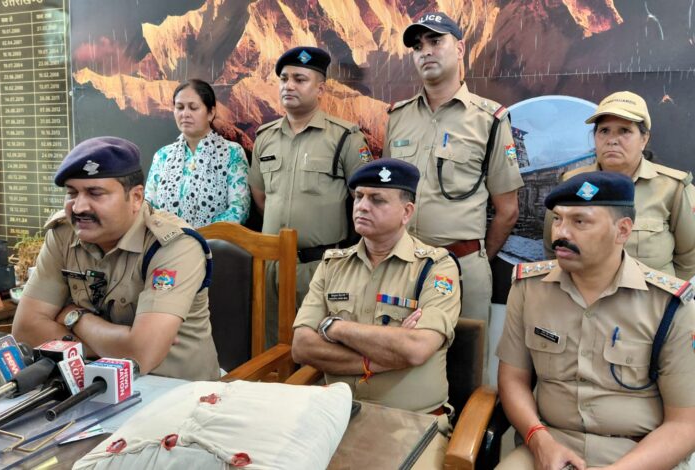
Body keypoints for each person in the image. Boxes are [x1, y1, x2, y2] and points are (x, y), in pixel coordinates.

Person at [496, 171, 695, 469]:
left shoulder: (669, 305)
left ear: (622, 231)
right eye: (557, 219)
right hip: (550, 444)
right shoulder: (529, 289)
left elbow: (685, 426)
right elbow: (512, 380)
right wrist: (538, 440)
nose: (560, 233)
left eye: (579, 222)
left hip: (637, 454)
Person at [291, 159, 461, 468]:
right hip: (338, 415)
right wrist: (379, 359)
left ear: (406, 212)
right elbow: (302, 346)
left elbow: (416, 348)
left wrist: (334, 328)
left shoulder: (435, 267)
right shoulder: (332, 265)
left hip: (412, 422)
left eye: (377, 199)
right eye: (359, 197)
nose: (362, 206)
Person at [384, 12, 523, 380]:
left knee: (464, 372)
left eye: (436, 41)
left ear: (460, 48)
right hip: (401, 268)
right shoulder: (397, 118)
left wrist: (473, 258)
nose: (426, 51)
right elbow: (387, 196)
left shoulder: (489, 120)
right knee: (396, 367)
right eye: (418, 46)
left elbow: (507, 210)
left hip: (462, 268)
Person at [12, 137, 221, 381]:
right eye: (72, 193)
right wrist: (117, 346)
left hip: (174, 387)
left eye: (95, 193)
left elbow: (141, 356)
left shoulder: (174, 246)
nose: (78, 207)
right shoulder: (63, 235)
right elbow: (25, 330)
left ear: (136, 197)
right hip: (90, 379)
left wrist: (74, 318)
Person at [248, 46, 371, 347]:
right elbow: (261, 197)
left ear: (320, 89)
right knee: (270, 349)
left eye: (300, 79)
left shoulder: (344, 137)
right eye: (284, 78)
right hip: (271, 268)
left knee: (319, 350)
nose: (288, 86)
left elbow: (364, 201)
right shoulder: (264, 137)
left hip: (321, 267)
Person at [543, 91, 695, 280]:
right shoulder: (572, 183)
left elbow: (693, 258)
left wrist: (655, 291)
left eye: (624, 131)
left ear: (644, 139)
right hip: (584, 296)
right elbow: (553, 246)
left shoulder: (673, 188)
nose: (612, 140)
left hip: (646, 297)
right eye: (604, 131)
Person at [145, 78, 250, 227]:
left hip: (213, 241)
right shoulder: (162, 156)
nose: (185, 114)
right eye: (180, 107)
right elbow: (149, 207)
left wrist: (197, 236)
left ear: (211, 112)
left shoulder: (232, 153)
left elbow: (239, 210)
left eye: (193, 108)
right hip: (166, 240)